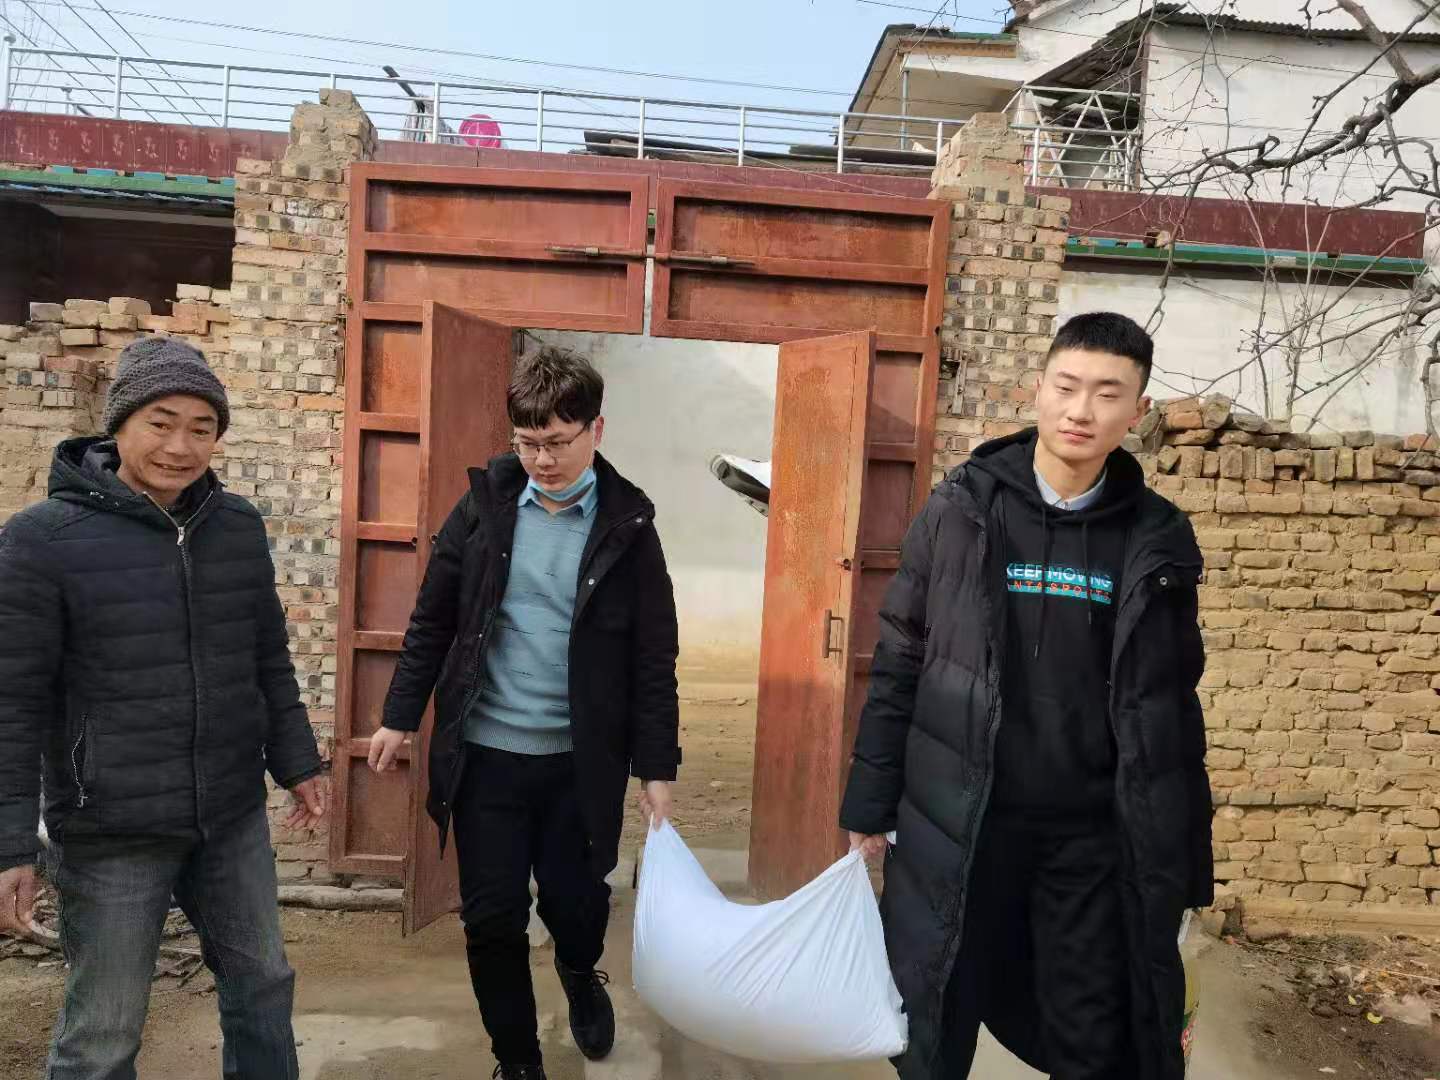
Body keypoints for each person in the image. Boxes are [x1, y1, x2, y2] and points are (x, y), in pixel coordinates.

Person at [841, 312, 1213, 1080]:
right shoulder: (962, 511)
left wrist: (1186, 860)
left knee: (1092, 1033)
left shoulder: (1157, 536)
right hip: (962, 825)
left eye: (1107, 394)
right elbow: (902, 659)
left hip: (1089, 836)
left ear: (1137, 411)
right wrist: (868, 806)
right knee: (934, 1021)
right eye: (1067, 387)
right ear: (1036, 389)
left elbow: (1174, 704)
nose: (1082, 410)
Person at [0, 337, 328, 1080]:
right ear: (119, 423)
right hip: (111, 830)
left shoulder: (235, 527)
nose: (180, 447)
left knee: (263, 985)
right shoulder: (42, 540)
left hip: (229, 816)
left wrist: (298, 763)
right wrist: (11, 845)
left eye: (201, 428)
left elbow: (266, 658)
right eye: (161, 422)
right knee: (105, 1030)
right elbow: (12, 704)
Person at [368, 345, 681, 1080]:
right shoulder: (483, 510)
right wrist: (399, 714)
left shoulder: (630, 527)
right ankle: (518, 1063)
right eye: (527, 443)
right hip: (488, 758)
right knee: (492, 920)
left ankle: (578, 970)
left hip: (580, 763)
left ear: (596, 430)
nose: (541, 460)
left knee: (577, 906)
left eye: (558, 442)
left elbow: (653, 656)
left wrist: (655, 767)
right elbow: (433, 621)